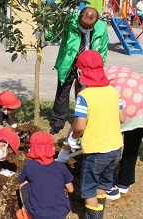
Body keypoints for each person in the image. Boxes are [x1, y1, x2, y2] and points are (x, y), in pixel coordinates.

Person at [67, 50, 125, 218]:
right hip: (115, 149)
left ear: (81, 71)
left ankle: (94, 216)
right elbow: (121, 118)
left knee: (89, 189)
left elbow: (79, 126)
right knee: (103, 183)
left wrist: (72, 139)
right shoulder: (113, 92)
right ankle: (100, 210)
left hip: (96, 151)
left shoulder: (84, 96)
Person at [50, 7, 108, 135]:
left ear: (96, 22)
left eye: (88, 27)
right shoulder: (69, 21)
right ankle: (58, 122)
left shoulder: (102, 27)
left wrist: (99, 65)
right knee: (62, 91)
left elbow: (103, 48)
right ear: (78, 17)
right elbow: (53, 35)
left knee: (87, 93)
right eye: (82, 25)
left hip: (89, 65)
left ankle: (84, 120)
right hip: (70, 62)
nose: (85, 28)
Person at [103, 66, 143, 200]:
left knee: (110, 144)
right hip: (141, 107)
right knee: (132, 146)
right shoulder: (115, 70)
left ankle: (109, 183)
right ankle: (125, 183)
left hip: (128, 107)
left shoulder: (95, 80)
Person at [17, 132, 74, 219]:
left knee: (22, 183)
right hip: (62, 212)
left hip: (38, 214)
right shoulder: (61, 166)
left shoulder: (29, 165)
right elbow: (71, 189)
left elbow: (20, 181)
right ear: (53, 149)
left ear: (30, 150)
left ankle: (25, 209)